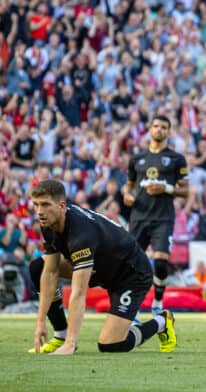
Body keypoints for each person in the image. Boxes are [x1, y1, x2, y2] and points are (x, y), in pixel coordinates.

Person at [29, 180, 176, 354]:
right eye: (36, 205)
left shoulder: (80, 232)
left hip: (130, 274)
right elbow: (50, 272)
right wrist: (40, 322)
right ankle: (60, 335)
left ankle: (162, 321)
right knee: (39, 268)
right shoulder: (48, 223)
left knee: (111, 345)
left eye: (45, 204)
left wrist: (71, 343)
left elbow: (79, 292)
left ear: (61, 205)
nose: (39, 211)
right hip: (100, 268)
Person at [122, 115, 189, 315]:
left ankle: (158, 303)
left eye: (163, 127)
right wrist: (127, 196)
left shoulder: (177, 159)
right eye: (156, 126)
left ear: (168, 132)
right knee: (132, 265)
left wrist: (165, 188)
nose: (159, 129)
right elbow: (129, 187)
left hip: (162, 218)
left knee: (160, 262)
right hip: (139, 218)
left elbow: (185, 191)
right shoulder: (137, 159)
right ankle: (132, 309)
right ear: (149, 129)